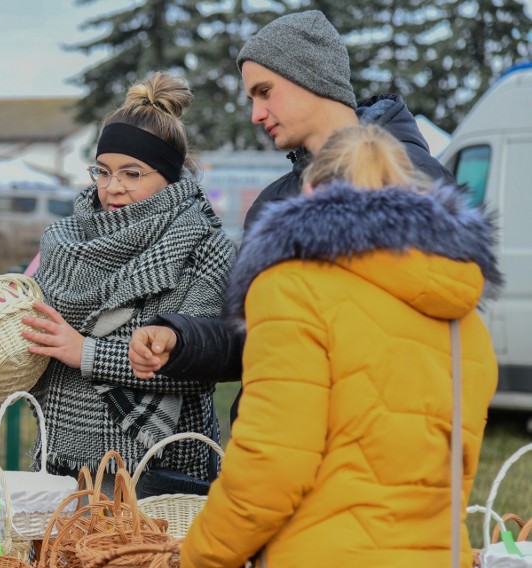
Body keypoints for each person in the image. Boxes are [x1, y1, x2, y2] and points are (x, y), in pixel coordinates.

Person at [179, 124, 500, 568]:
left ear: (311, 195)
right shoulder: (464, 319)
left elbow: (270, 467)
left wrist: (201, 556)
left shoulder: (290, 289)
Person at [0, 72, 235, 496]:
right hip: (60, 471)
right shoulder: (63, 241)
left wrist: (86, 353)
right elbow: (20, 342)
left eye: (132, 174)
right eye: (103, 171)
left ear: (168, 176)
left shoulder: (205, 246)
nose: (112, 188)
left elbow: (201, 366)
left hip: (155, 473)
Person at [128, 9, 455, 423]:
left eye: (264, 92)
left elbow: (435, 344)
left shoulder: (412, 181)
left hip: (368, 460)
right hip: (272, 455)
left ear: (311, 76)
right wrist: (179, 340)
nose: (255, 114)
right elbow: (255, 336)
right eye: (251, 98)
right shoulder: (272, 204)